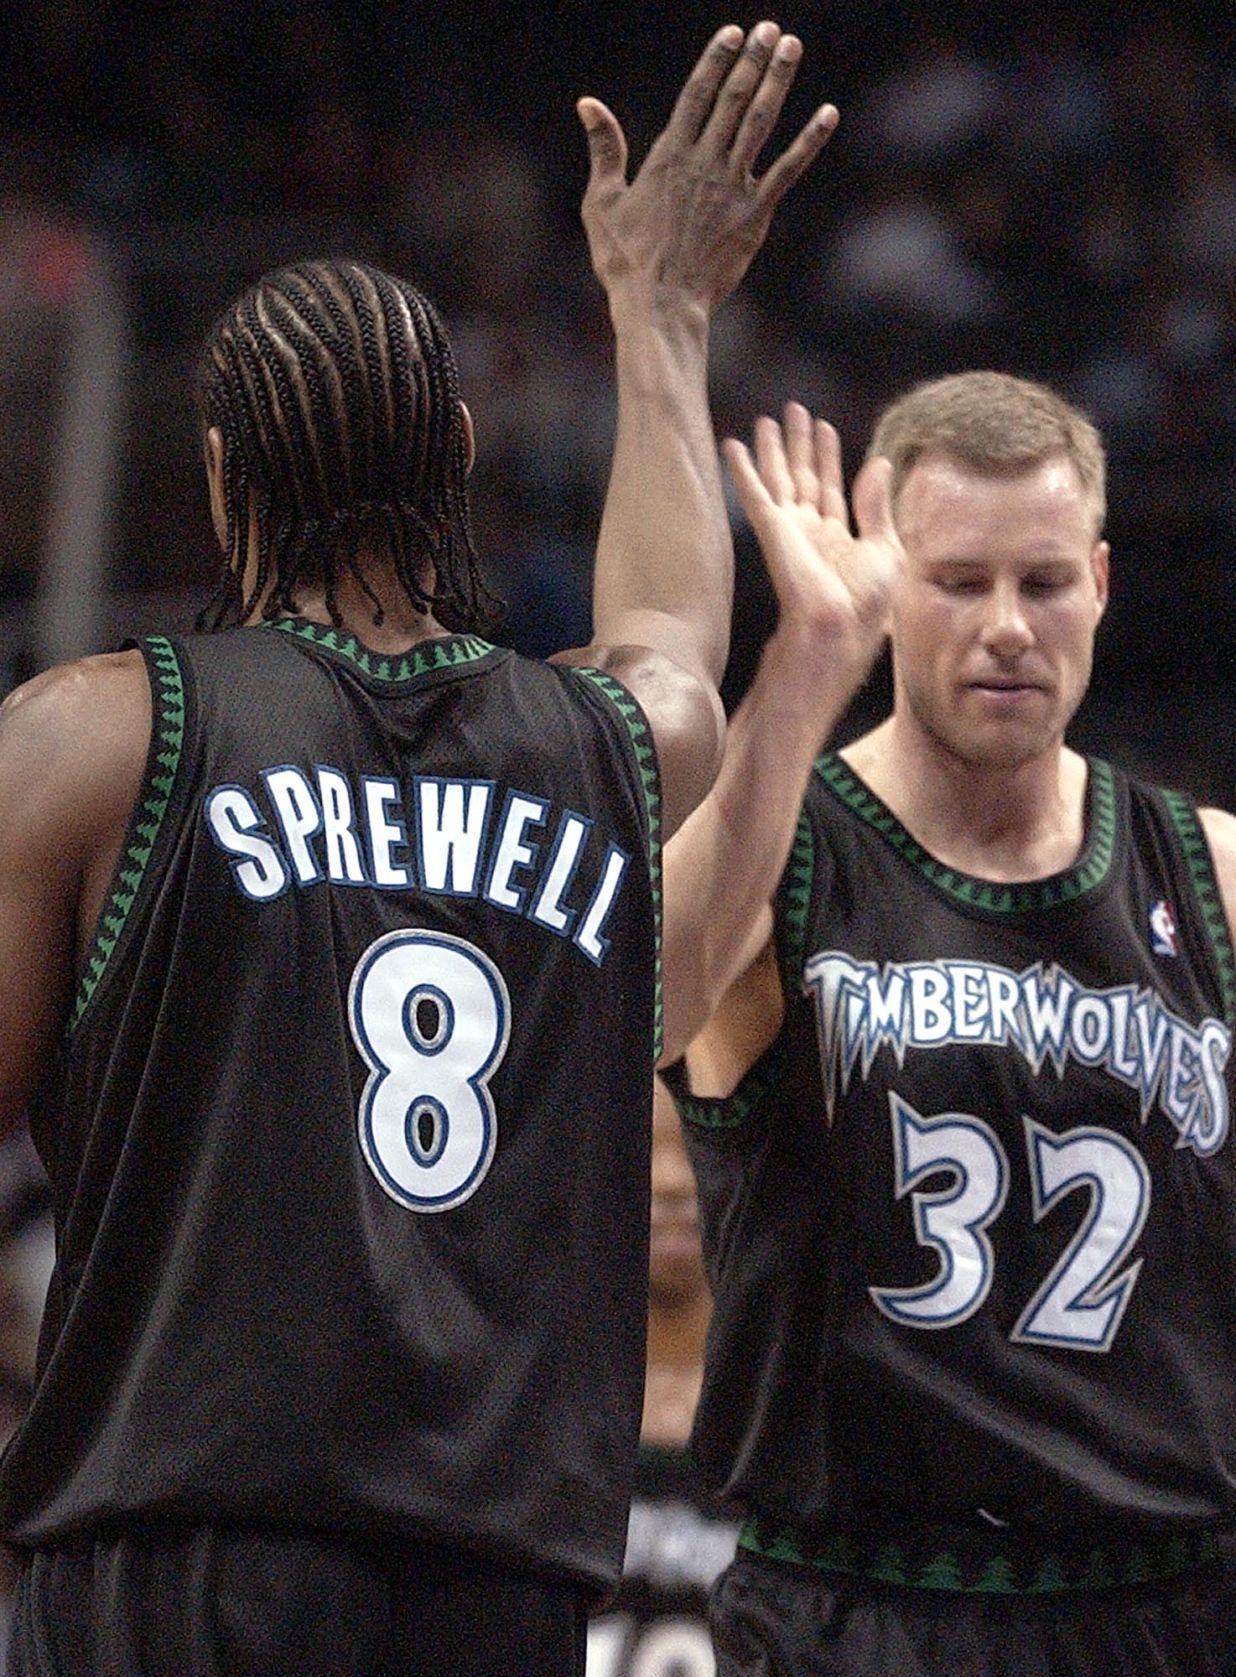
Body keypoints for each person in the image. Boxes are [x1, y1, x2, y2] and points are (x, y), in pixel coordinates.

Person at [0, 26, 839, 1675]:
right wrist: (661, 314)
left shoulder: (98, 736)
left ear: (222, 480)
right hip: (497, 1576)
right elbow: (678, 636)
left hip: (176, 1551)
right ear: (457, 455)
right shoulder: (602, 739)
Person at [660, 376, 1236, 1675]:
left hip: (1169, 1598)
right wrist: (810, 661)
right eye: (960, 582)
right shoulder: (787, 851)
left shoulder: (1209, 873)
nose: (1007, 626)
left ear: (1101, 583)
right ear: (890, 585)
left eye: (1044, 582)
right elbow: (645, 998)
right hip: (859, 1603)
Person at [587, 1076, 738, 1677]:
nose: (672, 1181)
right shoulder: (537, 1400)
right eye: (644, 1149)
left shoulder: (790, 1409)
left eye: (695, 1147)